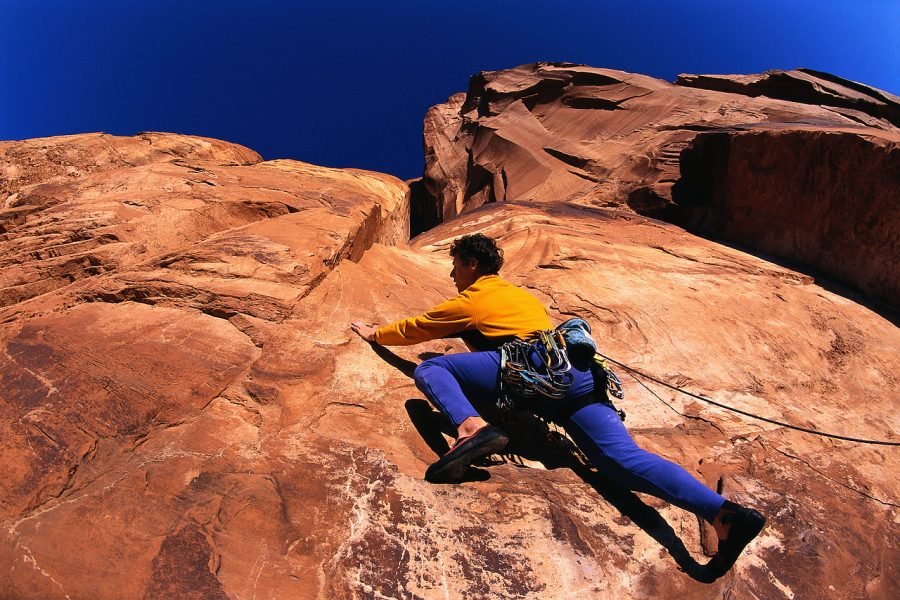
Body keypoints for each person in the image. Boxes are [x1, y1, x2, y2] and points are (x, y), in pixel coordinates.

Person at [351, 233, 764, 576]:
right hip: (578, 377)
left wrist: (375, 334)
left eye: (456, 265)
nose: (452, 273)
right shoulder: (522, 297)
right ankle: (724, 515)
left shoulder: (475, 297)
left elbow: (418, 327)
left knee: (434, 370)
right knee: (621, 460)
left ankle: (470, 429)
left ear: (472, 265)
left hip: (531, 368)